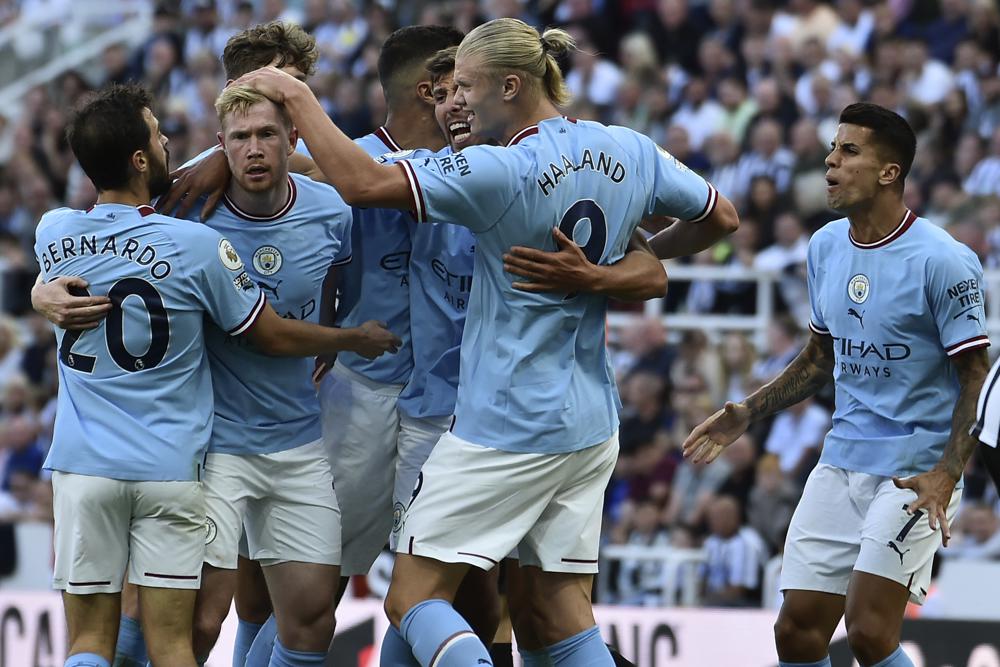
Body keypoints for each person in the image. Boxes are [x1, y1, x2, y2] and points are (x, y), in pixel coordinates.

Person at [236, 16, 738, 666]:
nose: (457, 100)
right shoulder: (628, 149)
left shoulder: (500, 170)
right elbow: (717, 219)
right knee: (551, 611)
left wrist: (295, 94)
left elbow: (360, 182)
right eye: (446, 89)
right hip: (588, 421)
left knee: (410, 596)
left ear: (509, 85)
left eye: (467, 86)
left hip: (503, 421)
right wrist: (606, 274)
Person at [37, 84, 398, 667]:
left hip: (96, 463)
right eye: (158, 137)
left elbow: (59, 266)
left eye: (266, 134)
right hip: (188, 457)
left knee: (90, 644)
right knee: (185, 636)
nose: (166, 144)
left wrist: (38, 292)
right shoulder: (198, 237)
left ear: (290, 138)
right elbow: (268, 332)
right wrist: (352, 339)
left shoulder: (53, 230)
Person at [684, 103, 991, 667]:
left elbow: (977, 374)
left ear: (888, 172)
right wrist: (748, 411)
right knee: (796, 632)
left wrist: (948, 472)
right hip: (842, 458)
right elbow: (819, 358)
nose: (830, 161)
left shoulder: (945, 260)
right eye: (833, 147)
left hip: (914, 467)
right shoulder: (825, 247)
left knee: (870, 633)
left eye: (849, 151)